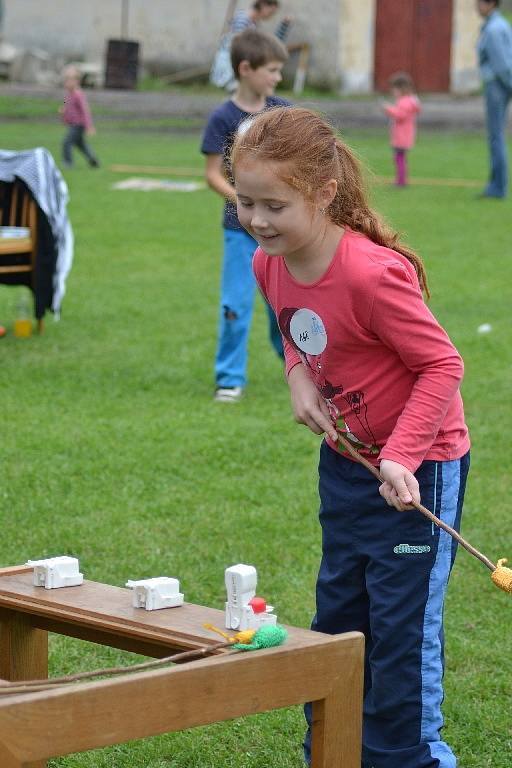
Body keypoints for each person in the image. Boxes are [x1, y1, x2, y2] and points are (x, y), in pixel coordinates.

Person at [231, 106, 471, 767]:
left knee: (400, 629)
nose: (255, 219)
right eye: (245, 202)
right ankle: (334, 749)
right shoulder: (267, 262)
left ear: (324, 192)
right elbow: (293, 330)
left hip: (418, 471)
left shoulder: (371, 273)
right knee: (338, 617)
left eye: (273, 204)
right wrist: (297, 380)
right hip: (346, 466)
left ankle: (410, 755)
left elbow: (443, 365)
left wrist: (401, 456)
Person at [201, 29, 289, 402]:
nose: (277, 78)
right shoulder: (223, 117)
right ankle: (229, 378)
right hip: (240, 232)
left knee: (284, 309)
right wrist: (247, 202)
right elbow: (212, 174)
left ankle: (305, 373)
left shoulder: (282, 112)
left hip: (282, 234)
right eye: (271, 69)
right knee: (235, 304)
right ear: (245, 69)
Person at [210, 0, 291, 91]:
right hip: (229, 68)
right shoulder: (243, 20)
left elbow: (269, 45)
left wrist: (283, 26)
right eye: (271, 12)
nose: (271, 15)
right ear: (263, 4)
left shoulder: (252, 23)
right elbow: (238, 49)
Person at [476, 0, 512, 198]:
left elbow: (502, 65)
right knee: (496, 136)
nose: (477, 6)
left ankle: (497, 188)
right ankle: (495, 185)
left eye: (480, 2)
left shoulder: (494, 29)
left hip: (497, 86)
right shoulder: (498, 24)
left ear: (491, 4)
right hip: (499, 85)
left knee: (496, 136)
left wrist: (508, 85)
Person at [381, 71, 421, 187]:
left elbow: (400, 115)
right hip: (404, 135)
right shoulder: (410, 101)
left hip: (402, 136)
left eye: (394, 89)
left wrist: (387, 109)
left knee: (399, 158)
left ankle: (401, 181)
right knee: (400, 158)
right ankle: (401, 179)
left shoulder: (405, 102)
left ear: (402, 89)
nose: (393, 92)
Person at [59, 66, 99, 169]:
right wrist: (63, 110)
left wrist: (89, 126)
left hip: (78, 124)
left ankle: (68, 163)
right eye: (66, 81)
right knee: (81, 144)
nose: (67, 83)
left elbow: (85, 110)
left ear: (76, 82)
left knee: (66, 142)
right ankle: (93, 159)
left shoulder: (78, 95)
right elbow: (65, 104)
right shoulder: (68, 95)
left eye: (69, 81)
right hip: (72, 124)